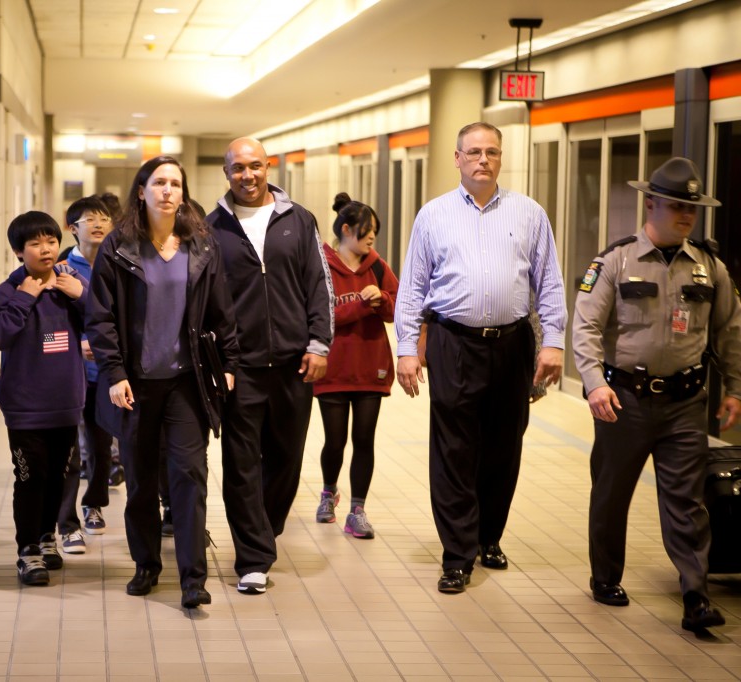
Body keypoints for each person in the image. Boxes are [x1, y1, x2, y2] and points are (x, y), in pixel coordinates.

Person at [395, 122, 566, 594]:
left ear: (501, 156)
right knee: (453, 449)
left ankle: (488, 536)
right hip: (453, 342)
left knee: (503, 447)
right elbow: (411, 289)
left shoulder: (529, 213)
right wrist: (407, 349)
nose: (482, 160)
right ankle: (457, 554)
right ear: (457, 158)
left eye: (491, 152)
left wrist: (553, 341)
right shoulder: (434, 216)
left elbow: (549, 282)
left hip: (512, 345)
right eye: (473, 152)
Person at [572, 157, 741, 633]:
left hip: (686, 403)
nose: (686, 215)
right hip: (623, 399)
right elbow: (584, 326)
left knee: (687, 501)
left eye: (692, 207)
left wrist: (735, 389)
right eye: (676, 206)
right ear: (651, 204)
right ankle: (605, 578)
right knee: (611, 494)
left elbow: (730, 331)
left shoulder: (710, 268)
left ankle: (695, 595)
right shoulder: (616, 260)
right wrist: (593, 383)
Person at [86, 155, 238, 609]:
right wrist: (113, 372)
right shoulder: (119, 246)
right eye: (159, 182)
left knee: (190, 476)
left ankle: (194, 577)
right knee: (140, 480)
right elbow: (101, 317)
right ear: (142, 191)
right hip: (135, 385)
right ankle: (147, 564)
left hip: (186, 383)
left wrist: (228, 364)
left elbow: (221, 311)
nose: (168, 190)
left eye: (175, 183)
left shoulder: (201, 246)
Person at [206, 137, 333, 595]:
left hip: (294, 365)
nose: (248, 175)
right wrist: (217, 360)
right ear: (227, 173)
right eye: (238, 168)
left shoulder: (298, 220)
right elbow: (204, 303)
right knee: (241, 463)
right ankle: (253, 557)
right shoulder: (211, 228)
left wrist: (319, 344)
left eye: (255, 166)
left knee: (285, 461)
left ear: (268, 167)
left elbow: (319, 284)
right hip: (238, 368)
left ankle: (263, 530)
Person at [0, 211, 87, 585]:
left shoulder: (70, 284)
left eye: (51, 241)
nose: (46, 249)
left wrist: (83, 296)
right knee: (31, 478)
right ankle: (27, 550)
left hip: (66, 403)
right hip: (25, 408)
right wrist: (24, 299)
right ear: (18, 252)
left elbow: (104, 322)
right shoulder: (9, 291)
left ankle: (47, 538)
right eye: (35, 243)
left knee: (59, 477)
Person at [314, 193, 398, 539]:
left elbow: (396, 311)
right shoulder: (321, 264)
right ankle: (328, 492)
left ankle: (357, 509)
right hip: (331, 369)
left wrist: (381, 300)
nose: (371, 238)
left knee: (364, 438)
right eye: (366, 232)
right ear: (346, 230)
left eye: (374, 232)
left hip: (370, 369)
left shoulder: (377, 266)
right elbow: (323, 316)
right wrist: (362, 306)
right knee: (335, 441)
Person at [56, 195, 118, 555]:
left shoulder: (121, 266)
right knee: (69, 453)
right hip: (70, 374)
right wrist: (74, 345)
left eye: (104, 218)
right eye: (88, 219)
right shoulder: (61, 268)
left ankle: (93, 502)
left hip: (106, 375)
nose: (97, 224)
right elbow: (47, 327)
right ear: (72, 227)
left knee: (100, 448)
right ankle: (67, 524)